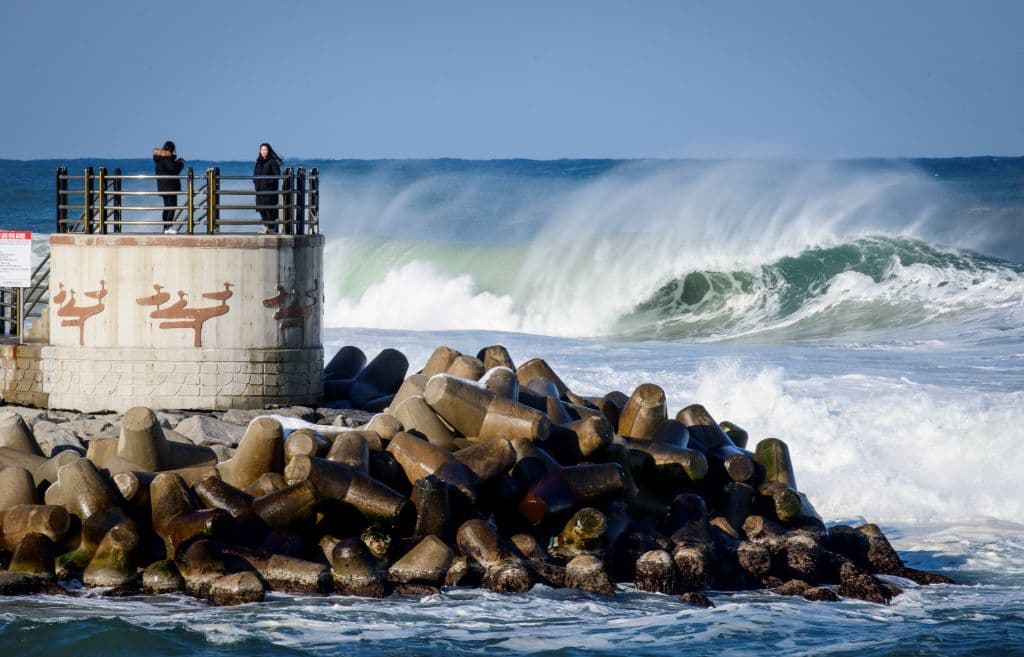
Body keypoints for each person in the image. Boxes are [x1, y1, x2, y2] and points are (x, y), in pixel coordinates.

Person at [152, 141, 185, 234]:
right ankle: (167, 228)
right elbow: (174, 171)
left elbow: (168, 168)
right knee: (172, 206)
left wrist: (174, 161)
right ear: (172, 149)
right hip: (170, 186)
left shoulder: (159, 158)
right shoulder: (166, 158)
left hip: (162, 186)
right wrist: (180, 163)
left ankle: (165, 228)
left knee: (167, 207)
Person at [254, 143, 282, 233]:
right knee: (261, 210)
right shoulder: (258, 162)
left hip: (269, 191)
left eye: (265, 150)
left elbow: (277, 175)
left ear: (269, 151)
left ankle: (271, 227)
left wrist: (268, 183)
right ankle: (266, 226)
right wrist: (255, 183)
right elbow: (255, 174)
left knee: (269, 210)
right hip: (259, 190)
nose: (263, 152)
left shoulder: (272, 162)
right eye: (262, 150)